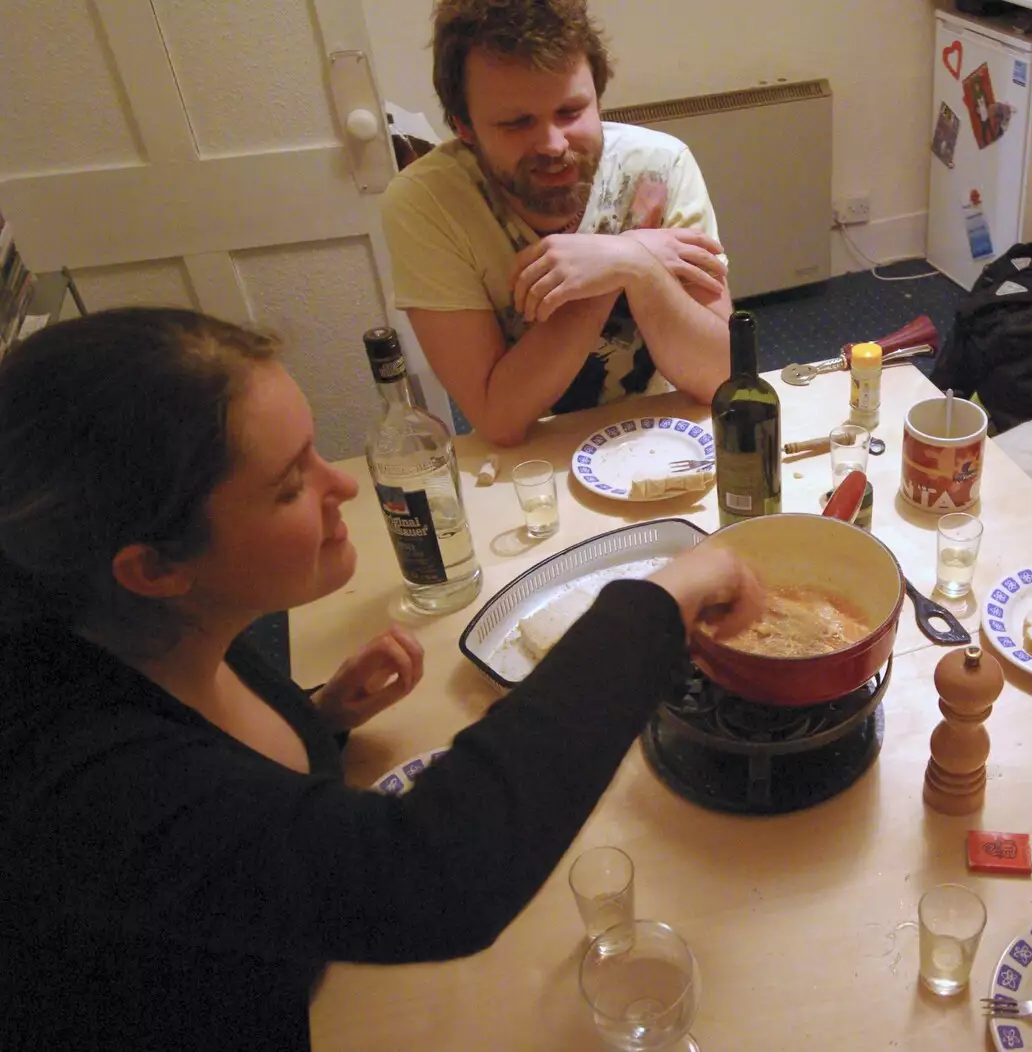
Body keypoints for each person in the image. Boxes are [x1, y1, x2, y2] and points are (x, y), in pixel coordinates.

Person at [0, 308, 761, 1051]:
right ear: (154, 567)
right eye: (290, 485)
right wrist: (662, 599)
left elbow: (228, 792)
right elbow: (430, 876)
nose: (345, 488)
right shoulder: (76, 774)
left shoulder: (155, 626)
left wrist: (323, 716)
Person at [381, 0, 733, 445]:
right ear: (463, 128)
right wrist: (621, 266)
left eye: (571, 112)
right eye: (517, 123)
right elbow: (498, 418)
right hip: (530, 463)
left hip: (658, 438)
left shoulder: (661, 167)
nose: (552, 144)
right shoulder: (425, 203)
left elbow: (722, 375)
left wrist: (633, 261)